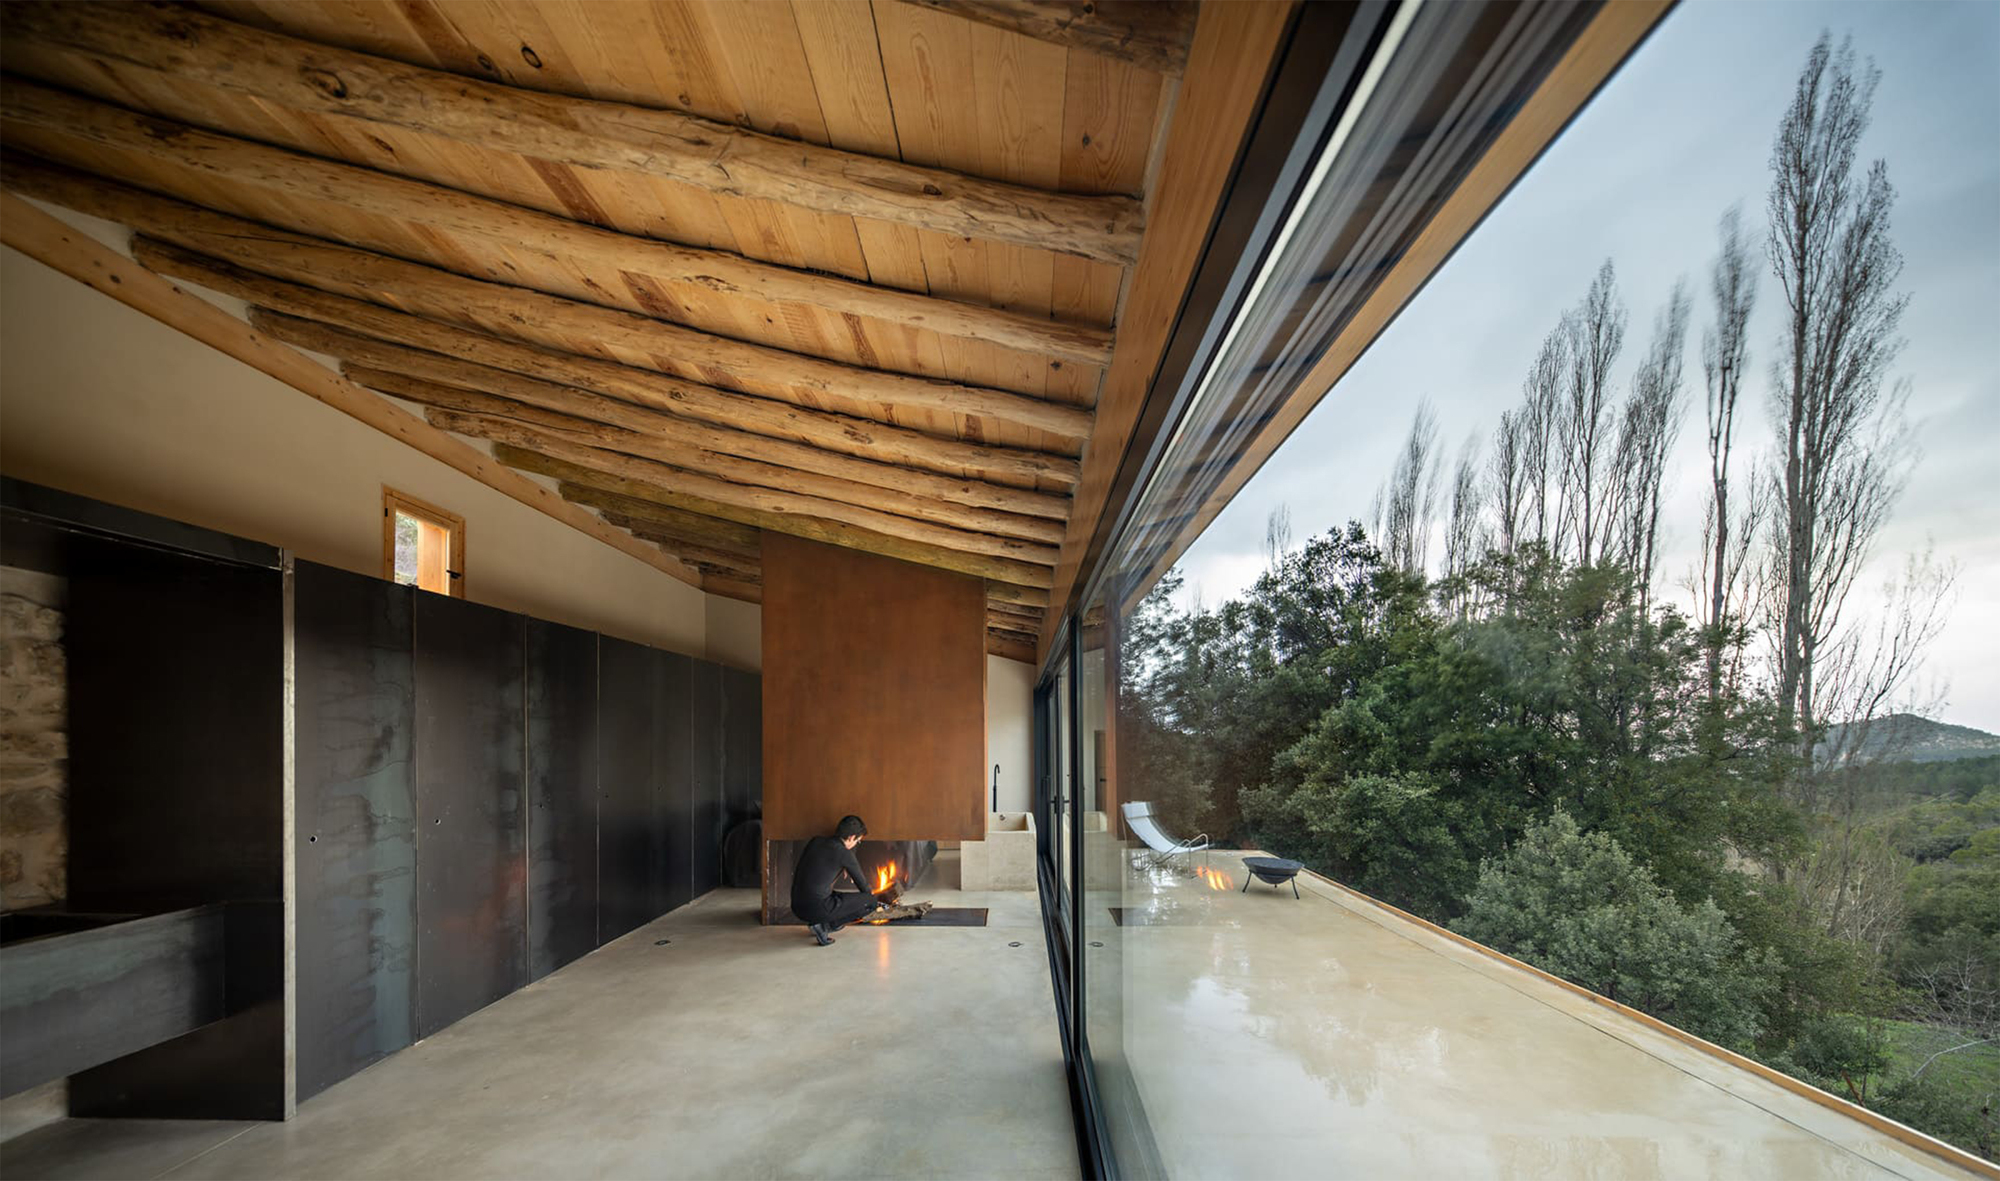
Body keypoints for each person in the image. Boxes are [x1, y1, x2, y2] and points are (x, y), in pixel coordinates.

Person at [791, 815, 884, 945]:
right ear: (851, 837)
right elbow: (864, 888)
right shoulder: (844, 854)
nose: (856, 844)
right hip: (816, 909)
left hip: (796, 906)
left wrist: (845, 863)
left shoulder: (815, 841)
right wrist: (878, 902)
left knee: (833, 895)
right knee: (871, 902)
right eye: (858, 841)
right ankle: (826, 926)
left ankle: (820, 923)